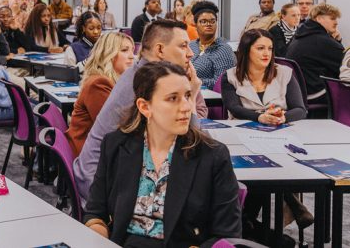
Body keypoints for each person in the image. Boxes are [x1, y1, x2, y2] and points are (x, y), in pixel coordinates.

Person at [83, 61, 241, 247]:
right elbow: (95, 212)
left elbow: (227, 235)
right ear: (144, 107)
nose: (186, 107)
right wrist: (98, 237)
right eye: (173, 98)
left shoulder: (212, 156)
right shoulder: (116, 145)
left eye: (188, 96)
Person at [74, 19, 208, 202]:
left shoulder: (138, 73)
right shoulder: (147, 85)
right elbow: (192, 141)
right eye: (183, 46)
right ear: (160, 50)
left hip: (105, 173)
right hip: (103, 186)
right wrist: (191, 95)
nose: (191, 54)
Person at [221, 29, 311, 231]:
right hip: (240, 136)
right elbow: (233, 108)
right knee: (261, 164)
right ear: (246, 51)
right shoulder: (230, 77)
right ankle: (253, 220)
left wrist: (282, 116)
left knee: (275, 160)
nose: (267, 53)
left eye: (269, 48)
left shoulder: (284, 73)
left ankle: (247, 222)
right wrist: (259, 117)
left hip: (278, 135)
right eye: (260, 48)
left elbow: (300, 109)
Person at [65, 32, 135, 157]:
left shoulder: (112, 80)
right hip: (89, 156)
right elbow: (114, 128)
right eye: (124, 50)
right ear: (108, 54)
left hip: (100, 149)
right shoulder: (98, 83)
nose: (132, 56)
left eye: (132, 50)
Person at [287, 2, 344, 100]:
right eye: (332, 18)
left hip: (299, 92)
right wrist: (335, 42)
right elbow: (346, 66)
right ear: (319, 18)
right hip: (318, 92)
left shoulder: (298, 36)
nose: (336, 22)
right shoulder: (323, 41)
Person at [188, 0, 235, 90]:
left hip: (212, 99)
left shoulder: (223, 50)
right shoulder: (191, 45)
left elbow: (222, 83)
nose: (209, 24)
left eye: (212, 21)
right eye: (203, 21)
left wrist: (195, 80)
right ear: (196, 24)